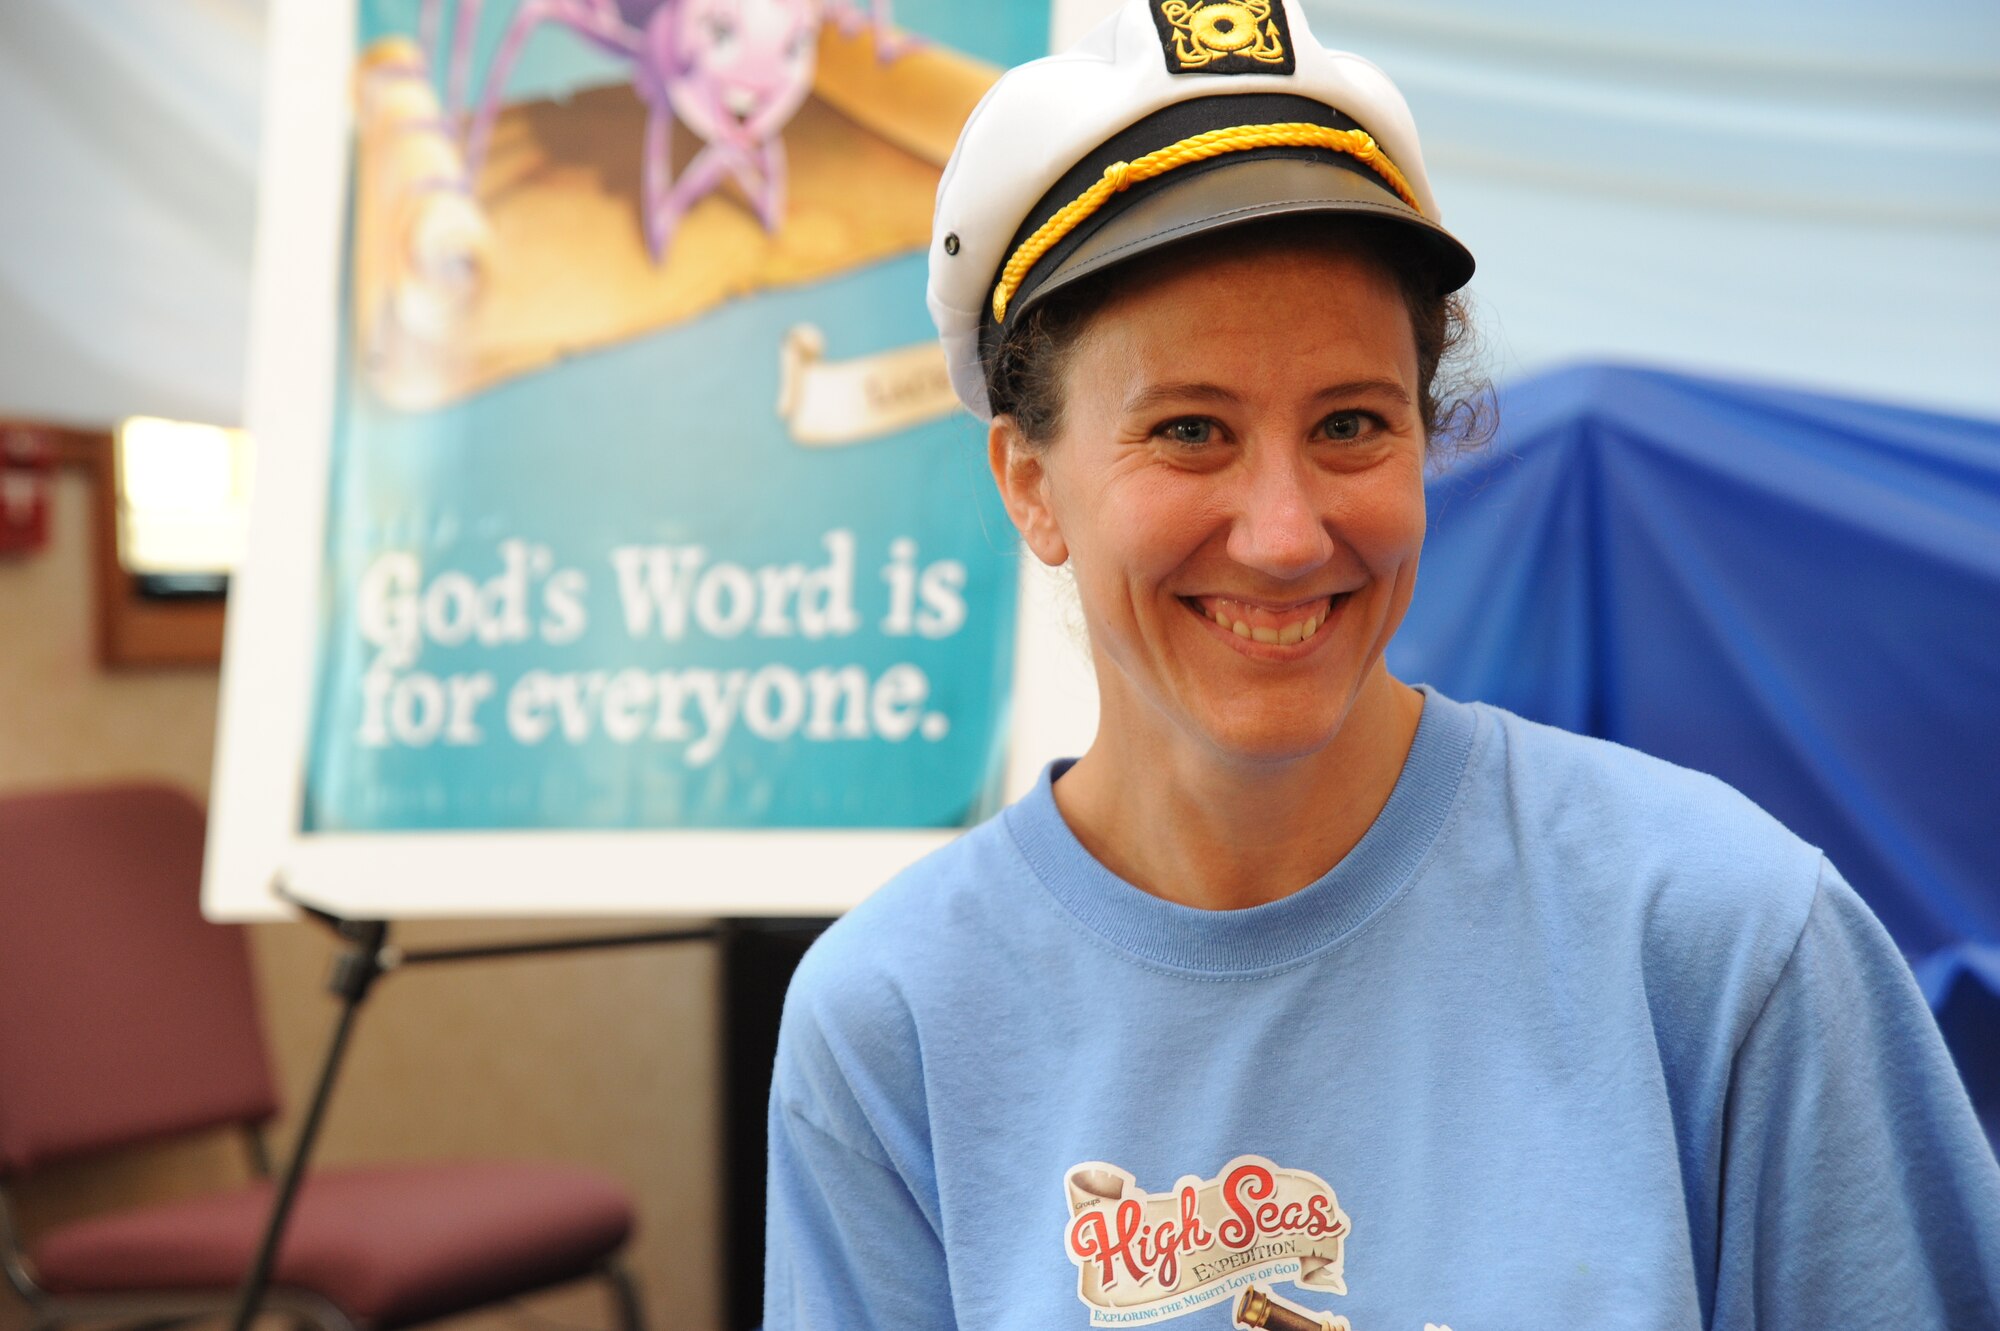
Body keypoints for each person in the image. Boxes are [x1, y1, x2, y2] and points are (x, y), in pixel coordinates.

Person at [762, 3, 2000, 1327]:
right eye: (1190, 431)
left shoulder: (1727, 943)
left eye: (1352, 423)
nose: (1288, 534)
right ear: (1031, 484)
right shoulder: (891, 1025)